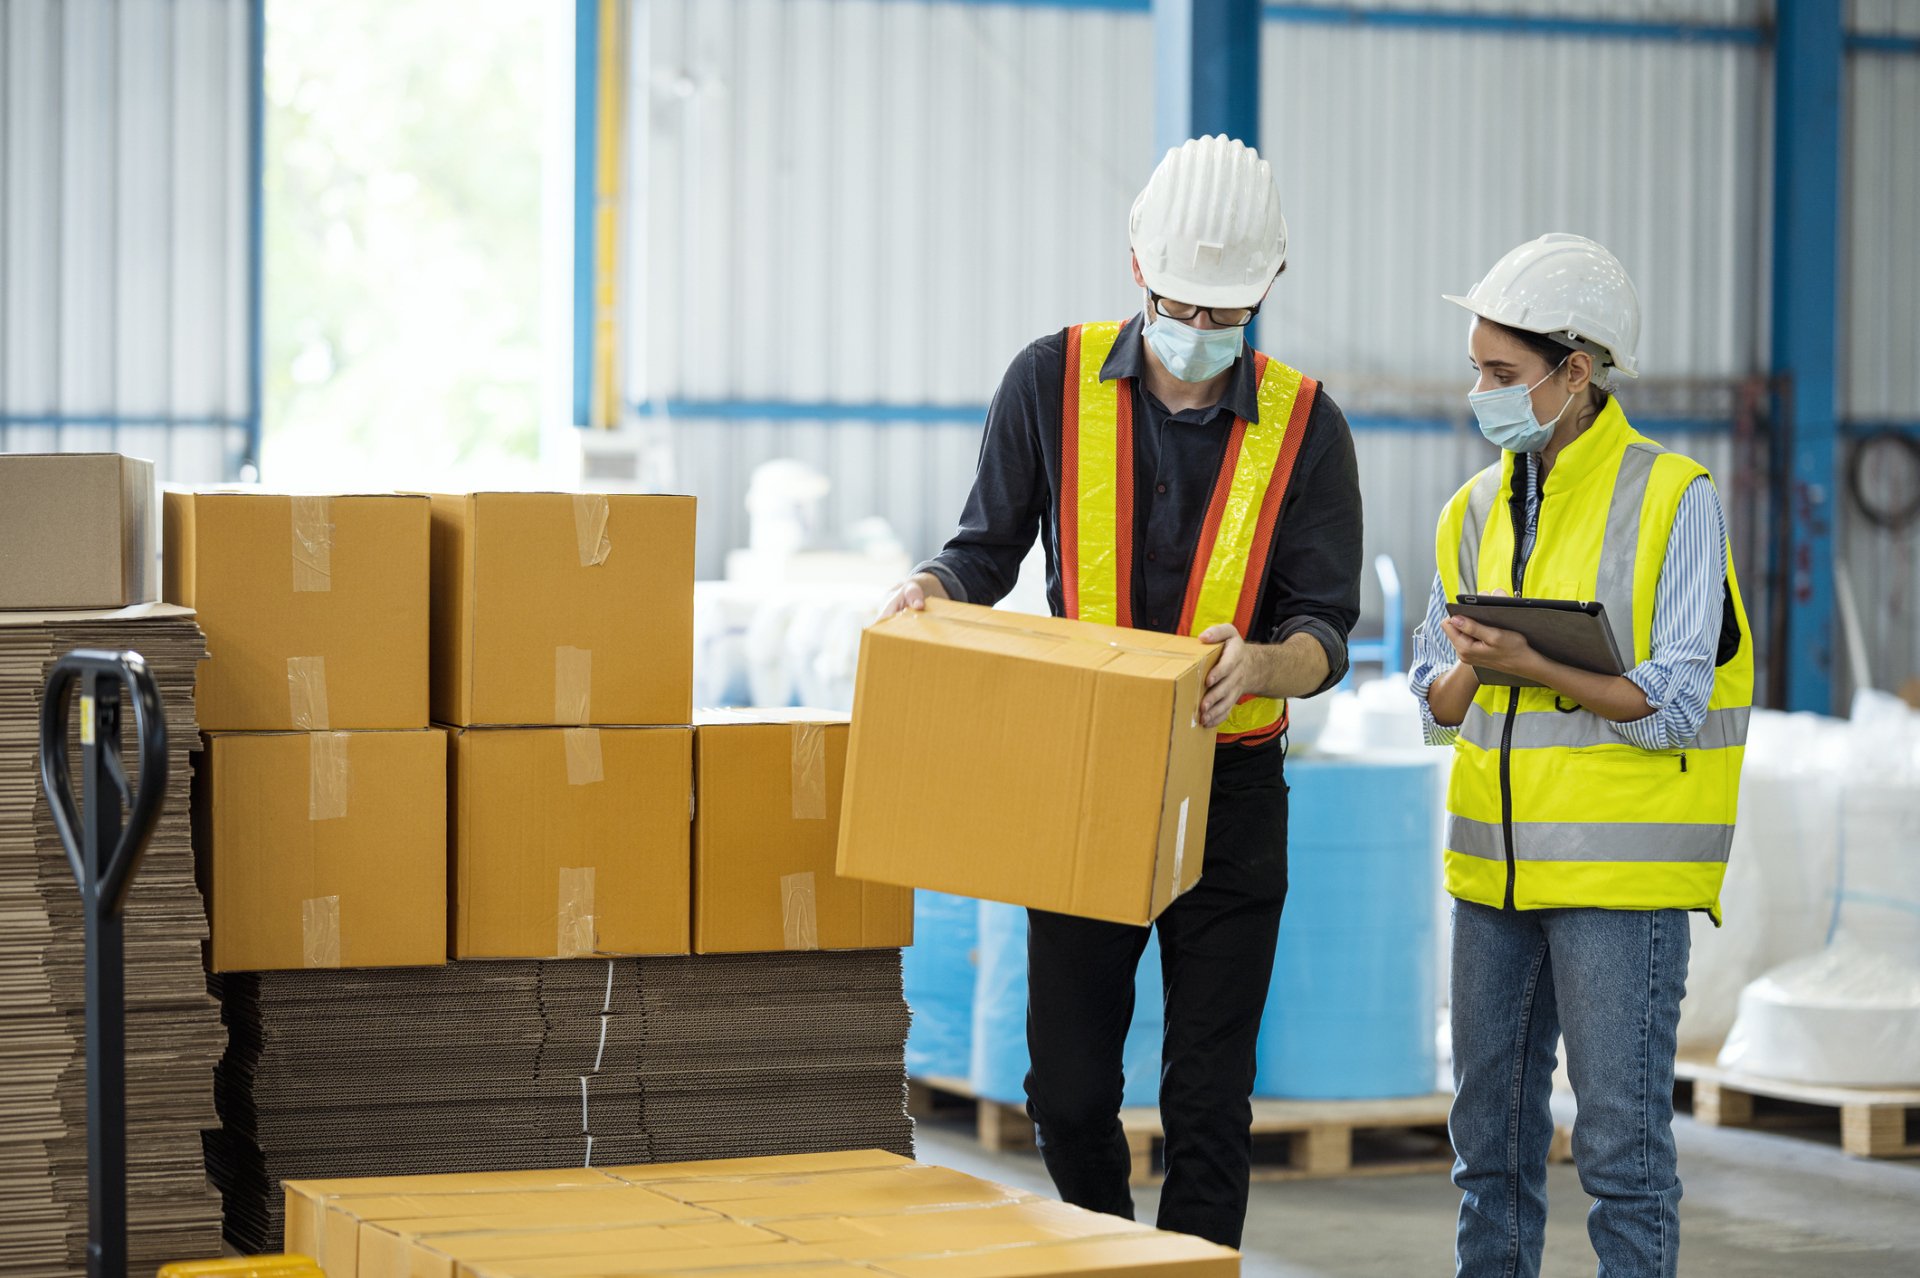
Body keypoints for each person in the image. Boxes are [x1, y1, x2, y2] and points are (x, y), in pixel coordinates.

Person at [878, 135, 1362, 1249]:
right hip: (1089, 778)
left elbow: (1324, 633)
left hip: (1231, 793)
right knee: (1069, 1088)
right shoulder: (1048, 380)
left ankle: (1191, 1271)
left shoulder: (1309, 429)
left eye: (1224, 310)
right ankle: (1108, 1258)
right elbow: (984, 548)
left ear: (1270, 287)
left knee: (1209, 1098)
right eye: (1179, 302)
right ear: (1138, 265)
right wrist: (930, 589)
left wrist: (1263, 664)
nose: (1198, 329)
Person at [1409, 233, 1753, 1278]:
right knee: (1489, 1152)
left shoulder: (1675, 497)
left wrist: (1536, 663)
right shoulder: (1470, 510)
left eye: (1500, 372)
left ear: (1575, 371)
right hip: (1493, 882)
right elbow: (1434, 704)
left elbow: (1677, 705)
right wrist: (1475, 669)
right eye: (1476, 368)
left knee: (1621, 1155)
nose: (1481, 392)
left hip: (1617, 884)